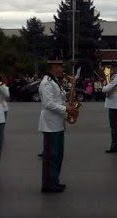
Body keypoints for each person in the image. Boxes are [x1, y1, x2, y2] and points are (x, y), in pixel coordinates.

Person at [38, 58, 78, 193]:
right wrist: (66, 109)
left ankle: (54, 180)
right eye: (60, 67)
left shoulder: (55, 82)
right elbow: (48, 104)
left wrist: (70, 92)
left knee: (58, 154)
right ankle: (48, 183)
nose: (62, 69)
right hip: (50, 123)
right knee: (51, 155)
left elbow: (58, 98)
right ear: (53, 67)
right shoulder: (47, 83)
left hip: (57, 123)